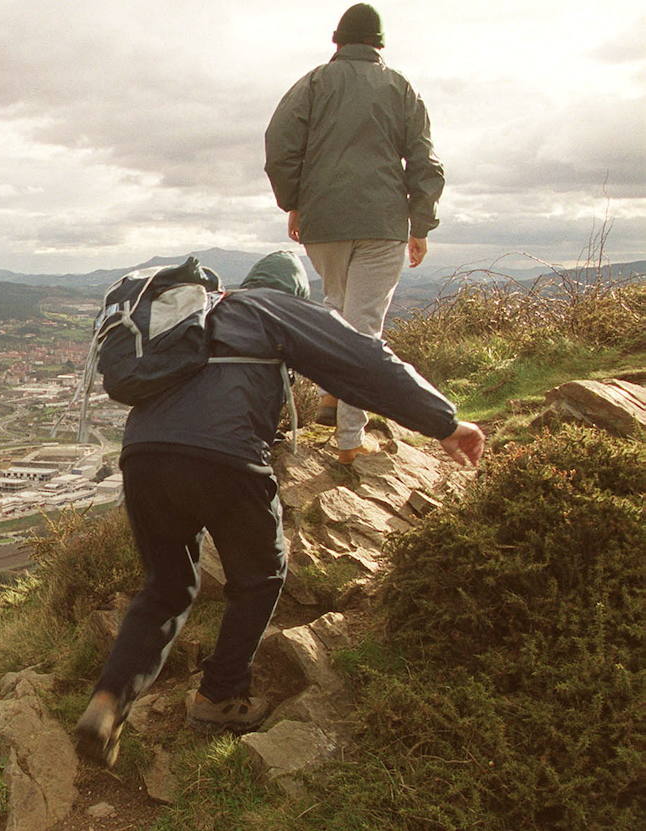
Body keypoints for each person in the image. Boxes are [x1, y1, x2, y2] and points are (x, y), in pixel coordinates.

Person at [73, 250, 483, 767]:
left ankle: (109, 700)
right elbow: (364, 360)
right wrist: (445, 422)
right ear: (294, 294)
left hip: (145, 458)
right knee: (261, 577)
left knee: (166, 588)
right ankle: (220, 696)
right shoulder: (272, 307)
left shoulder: (196, 315)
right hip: (228, 460)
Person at [264, 3, 444, 463]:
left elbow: (279, 147)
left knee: (335, 313)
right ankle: (349, 441)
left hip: (323, 222)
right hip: (383, 223)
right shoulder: (400, 87)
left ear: (337, 40)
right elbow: (424, 162)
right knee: (364, 327)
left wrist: (295, 202)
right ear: (380, 45)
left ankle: (332, 397)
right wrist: (420, 223)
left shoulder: (312, 84)